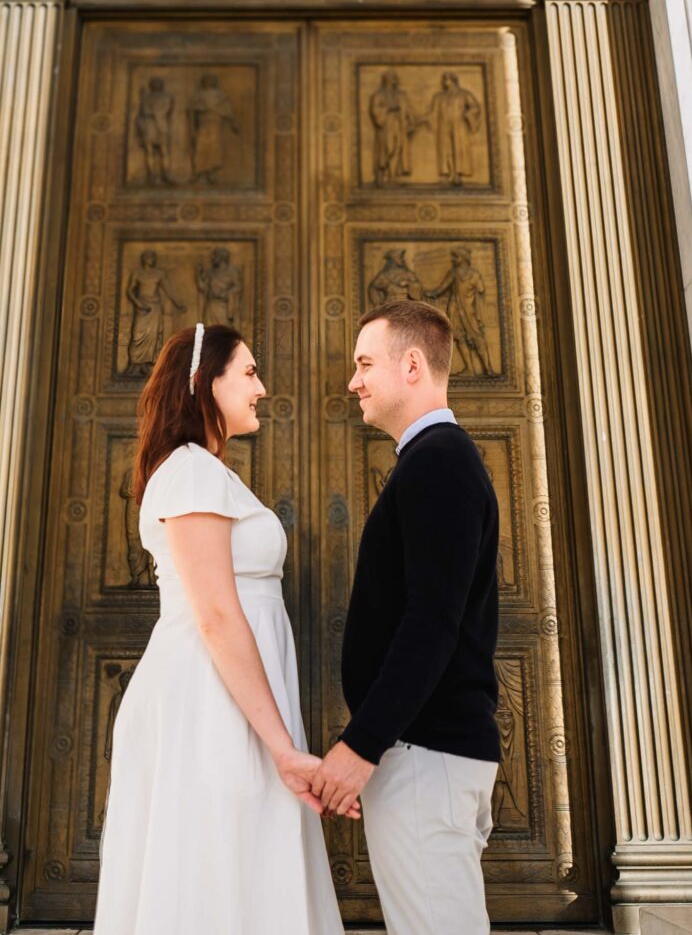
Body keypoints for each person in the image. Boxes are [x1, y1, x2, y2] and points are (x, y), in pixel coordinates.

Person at [95, 323, 344, 935]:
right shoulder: (190, 474)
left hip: (234, 699)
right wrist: (282, 748)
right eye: (250, 373)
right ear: (206, 383)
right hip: (206, 702)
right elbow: (215, 612)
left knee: (243, 860)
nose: (261, 388)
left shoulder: (208, 472)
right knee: (214, 865)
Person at [308, 300, 503, 935]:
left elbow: (432, 622)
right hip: (426, 752)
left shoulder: (439, 459)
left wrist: (360, 745)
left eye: (366, 363)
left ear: (412, 365)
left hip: (427, 754)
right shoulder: (430, 459)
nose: (353, 381)